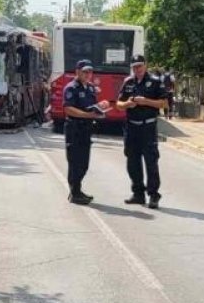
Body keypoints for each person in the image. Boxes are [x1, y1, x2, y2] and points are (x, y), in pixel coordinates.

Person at [116, 56, 168, 209]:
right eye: (134, 67)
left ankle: (153, 195)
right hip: (132, 128)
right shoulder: (128, 82)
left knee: (151, 162)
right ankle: (138, 193)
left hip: (148, 127)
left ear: (145, 65)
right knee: (132, 162)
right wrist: (128, 104)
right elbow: (118, 104)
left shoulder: (156, 81)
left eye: (139, 66)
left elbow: (164, 103)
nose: (137, 69)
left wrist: (146, 101)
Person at [63, 59, 111, 205]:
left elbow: (90, 107)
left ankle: (77, 190)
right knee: (75, 162)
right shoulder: (71, 88)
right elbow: (68, 109)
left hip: (86, 129)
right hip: (74, 128)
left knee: (84, 163)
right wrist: (88, 115)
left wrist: (100, 107)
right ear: (77, 72)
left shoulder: (90, 88)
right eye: (85, 71)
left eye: (90, 71)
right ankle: (75, 192)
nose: (88, 74)